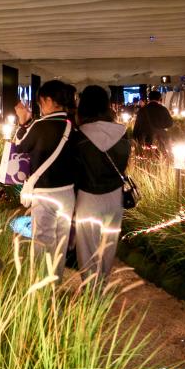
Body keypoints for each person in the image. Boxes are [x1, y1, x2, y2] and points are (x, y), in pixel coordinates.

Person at [14, 80, 75, 278]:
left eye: (41, 102)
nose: (41, 107)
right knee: (61, 241)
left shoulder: (40, 126)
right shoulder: (72, 126)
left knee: (42, 241)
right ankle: (56, 282)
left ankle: (42, 286)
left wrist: (23, 121)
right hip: (67, 193)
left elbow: (19, 146)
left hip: (45, 194)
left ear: (48, 100)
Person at [71, 85, 130, 283]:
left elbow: (75, 172)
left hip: (88, 198)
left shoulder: (78, 137)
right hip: (115, 197)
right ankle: (102, 284)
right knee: (109, 244)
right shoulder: (122, 133)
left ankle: (91, 292)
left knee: (88, 248)